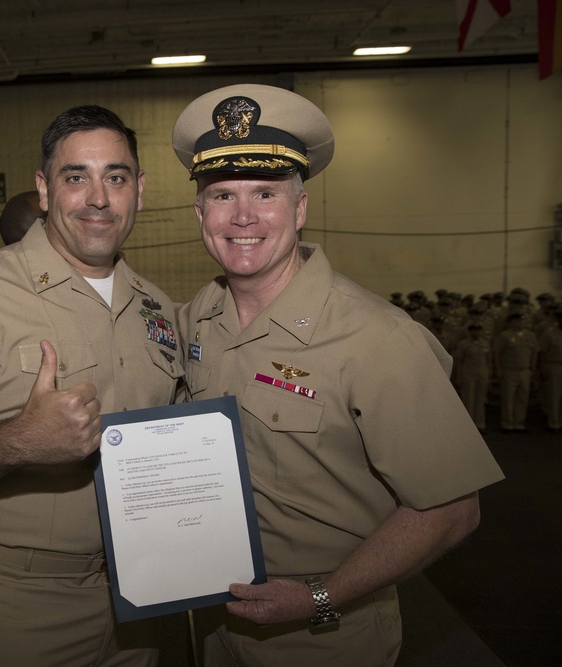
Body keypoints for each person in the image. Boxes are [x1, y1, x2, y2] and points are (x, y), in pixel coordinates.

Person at [171, 84, 503, 667]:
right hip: (214, 620)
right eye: (223, 195)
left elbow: (453, 508)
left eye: (265, 194)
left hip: (324, 631)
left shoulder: (377, 338)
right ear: (200, 214)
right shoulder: (202, 314)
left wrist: (319, 597)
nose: (242, 216)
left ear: (299, 209)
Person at [0, 105, 183, 666]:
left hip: (145, 594)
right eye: (76, 177)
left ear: (139, 190)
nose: (98, 197)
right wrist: (19, 441)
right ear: (45, 189)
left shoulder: (157, 306)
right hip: (16, 605)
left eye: (116, 177)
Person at [494, 312, 539, 432]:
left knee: (523, 397)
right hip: (509, 370)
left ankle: (519, 423)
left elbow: (535, 351)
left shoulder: (530, 335)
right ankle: (507, 423)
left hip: (525, 370)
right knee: (508, 397)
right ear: (510, 322)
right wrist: (498, 369)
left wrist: (532, 368)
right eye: (517, 320)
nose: (520, 323)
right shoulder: (505, 335)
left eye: (522, 320)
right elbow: (497, 353)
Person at [538, 306, 562, 432]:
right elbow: (542, 352)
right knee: (554, 395)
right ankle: (554, 422)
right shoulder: (550, 333)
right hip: (554, 366)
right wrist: (543, 369)